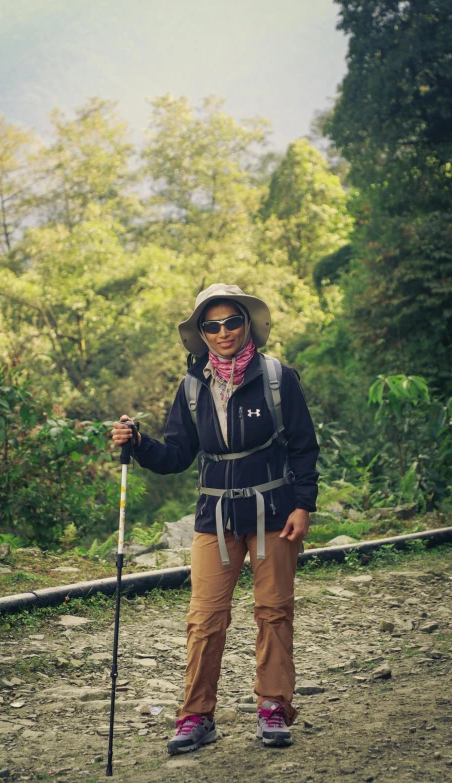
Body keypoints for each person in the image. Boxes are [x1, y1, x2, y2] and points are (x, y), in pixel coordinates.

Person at [111, 283, 320, 754]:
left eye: (231, 322)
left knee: (273, 612)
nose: (223, 332)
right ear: (201, 333)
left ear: (247, 325)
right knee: (204, 618)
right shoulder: (192, 386)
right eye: (212, 325)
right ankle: (196, 716)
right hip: (215, 517)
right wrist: (138, 443)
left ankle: (273, 706)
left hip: (274, 513)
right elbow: (177, 456)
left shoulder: (277, 377)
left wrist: (303, 504)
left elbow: (304, 446)